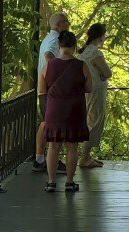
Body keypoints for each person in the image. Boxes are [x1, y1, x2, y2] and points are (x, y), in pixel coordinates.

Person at [39, 30, 93, 192]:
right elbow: (89, 88)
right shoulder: (81, 65)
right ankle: (69, 182)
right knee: (72, 146)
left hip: (54, 109)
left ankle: (51, 182)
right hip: (75, 109)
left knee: (53, 146)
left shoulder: (48, 65)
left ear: (59, 45)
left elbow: (42, 90)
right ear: (74, 46)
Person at [32, 11, 69, 172]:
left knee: (46, 122)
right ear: (58, 24)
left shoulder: (48, 39)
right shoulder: (54, 40)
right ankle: (52, 161)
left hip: (45, 89)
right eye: (66, 21)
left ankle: (40, 159)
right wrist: (58, 76)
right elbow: (48, 56)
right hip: (50, 89)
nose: (68, 24)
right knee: (54, 123)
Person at [77, 24, 111, 168]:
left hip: (85, 90)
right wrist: (104, 76)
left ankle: (87, 155)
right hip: (96, 91)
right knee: (95, 121)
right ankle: (84, 157)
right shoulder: (95, 53)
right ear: (100, 36)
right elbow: (108, 73)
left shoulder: (83, 53)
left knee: (89, 120)